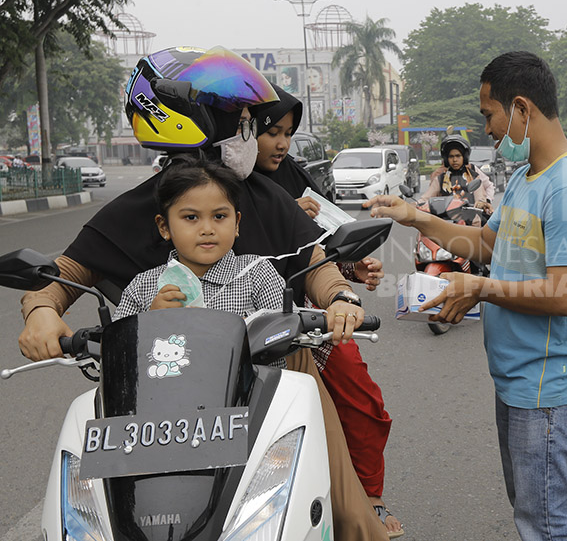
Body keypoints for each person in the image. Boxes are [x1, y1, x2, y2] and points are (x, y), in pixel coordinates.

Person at [18, 46, 390, 541]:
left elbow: (313, 264)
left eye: (219, 217)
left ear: (235, 220)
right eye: (239, 121)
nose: (249, 134)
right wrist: (41, 311)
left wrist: (341, 296)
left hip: (255, 380)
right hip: (158, 395)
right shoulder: (136, 215)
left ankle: (359, 525)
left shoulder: (263, 197)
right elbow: (63, 274)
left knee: (318, 402)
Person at [365, 51, 567, 541]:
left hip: (548, 387)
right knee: (532, 508)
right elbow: (487, 244)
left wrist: (480, 288)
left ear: (521, 109)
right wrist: (416, 218)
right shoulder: (526, 178)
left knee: (547, 522)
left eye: (489, 115)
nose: (488, 130)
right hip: (520, 381)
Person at [251, 84, 403, 538]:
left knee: (361, 396)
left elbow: (327, 238)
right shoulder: (215, 184)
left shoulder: (293, 175)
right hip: (231, 316)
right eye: (270, 132)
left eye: (287, 133)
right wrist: (278, 217)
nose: (281, 143)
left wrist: (353, 269)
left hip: (301, 316)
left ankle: (368, 500)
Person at [114, 155, 285, 320]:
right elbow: (116, 345)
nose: (207, 230)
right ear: (164, 227)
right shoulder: (142, 287)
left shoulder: (258, 274)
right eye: (191, 217)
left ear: (236, 224)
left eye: (219, 216)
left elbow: (286, 331)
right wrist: (151, 320)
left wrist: (242, 327)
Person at [421, 134, 494, 215]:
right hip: (446, 219)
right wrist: (415, 205)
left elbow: (480, 195)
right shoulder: (440, 178)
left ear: (464, 157)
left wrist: (483, 203)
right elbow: (426, 198)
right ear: (446, 159)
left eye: (458, 156)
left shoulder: (473, 175)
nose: (455, 160)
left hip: (470, 219)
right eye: (451, 156)